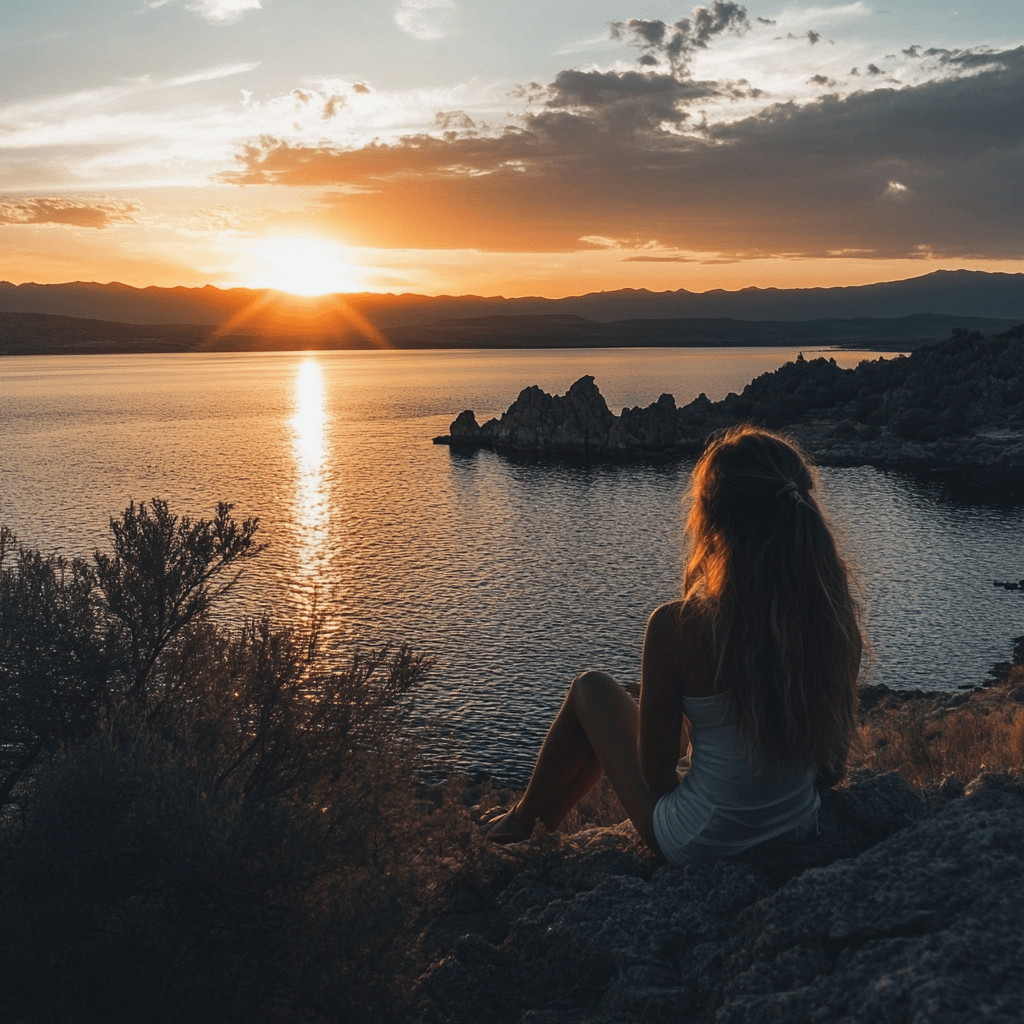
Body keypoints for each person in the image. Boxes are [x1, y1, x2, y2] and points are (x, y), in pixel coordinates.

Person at [480, 425, 863, 865]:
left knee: (592, 690)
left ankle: (521, 825)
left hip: (702, 841)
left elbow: (658, 779)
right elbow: (831, 770)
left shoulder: (677, 627)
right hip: (796, 824)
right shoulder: (833, 617)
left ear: (713, 520)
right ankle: (527, 827)